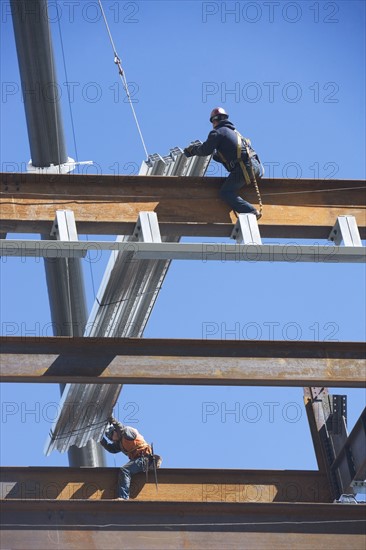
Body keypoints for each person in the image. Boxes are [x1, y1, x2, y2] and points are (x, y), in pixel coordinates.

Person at [184, 107, 263, 219]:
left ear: (214, 121)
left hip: (243, 168)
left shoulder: (217, 132)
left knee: (225, 192)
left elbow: (206, 150)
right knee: (233, 184)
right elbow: (227, 154)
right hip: (256, 167)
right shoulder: (235, 134)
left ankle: (251, 211)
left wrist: (192, 150)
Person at [100, 416, 162, 501]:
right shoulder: (120, 443)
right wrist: (100, 438)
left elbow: (121, 428)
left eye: (112, 435)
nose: (113, 438)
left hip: (145, 459)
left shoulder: (128, 432)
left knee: (125, 470)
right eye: (111, 438)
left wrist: (112, 420)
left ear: (115, 431)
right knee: (126, 469)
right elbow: (111, 449)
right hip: (139, 460)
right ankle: (124, 495)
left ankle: (124, 497)